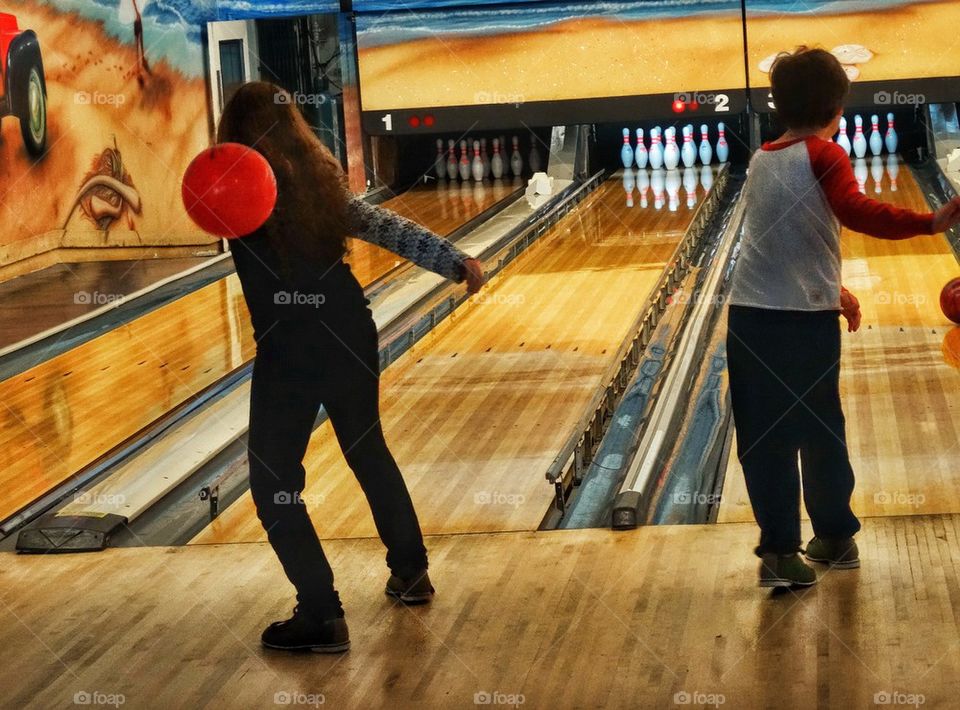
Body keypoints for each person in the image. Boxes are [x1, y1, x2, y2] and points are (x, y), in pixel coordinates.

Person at [217, 81, 486, 651]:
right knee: (367, 448)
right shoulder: (315, 181)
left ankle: (320, 612)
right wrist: (453, 259)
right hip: (345, 326)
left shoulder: (231, 186)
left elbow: (201, 207)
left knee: (273, 482)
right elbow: (386, 227)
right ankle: (410, 571)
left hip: (289, 344)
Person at [726, 47, 960, 588]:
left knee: (765, 440)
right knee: (818, 430)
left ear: (776, 105)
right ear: (839, 108)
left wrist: (832, 288)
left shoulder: (761, 158)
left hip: (751, 320)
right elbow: (857, 211)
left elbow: (775, 244)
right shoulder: (827, 156)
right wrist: (930, 222)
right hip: (802, 326)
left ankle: (780, 553)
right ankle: (833, 536)